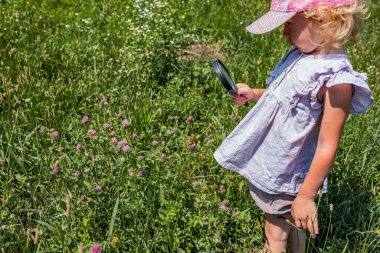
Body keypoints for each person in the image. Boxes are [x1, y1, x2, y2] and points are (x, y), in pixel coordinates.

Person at [213, 0, 374, 252]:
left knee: (274, 236)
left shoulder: (337, 81)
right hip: (279, 167)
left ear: (324, 19)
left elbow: (327, 144)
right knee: (294, 226)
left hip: (287, 176)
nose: (284, 32)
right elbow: (288, 97)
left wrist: (306, 196)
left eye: (289, 23)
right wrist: (254, 94)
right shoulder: (304, 55)